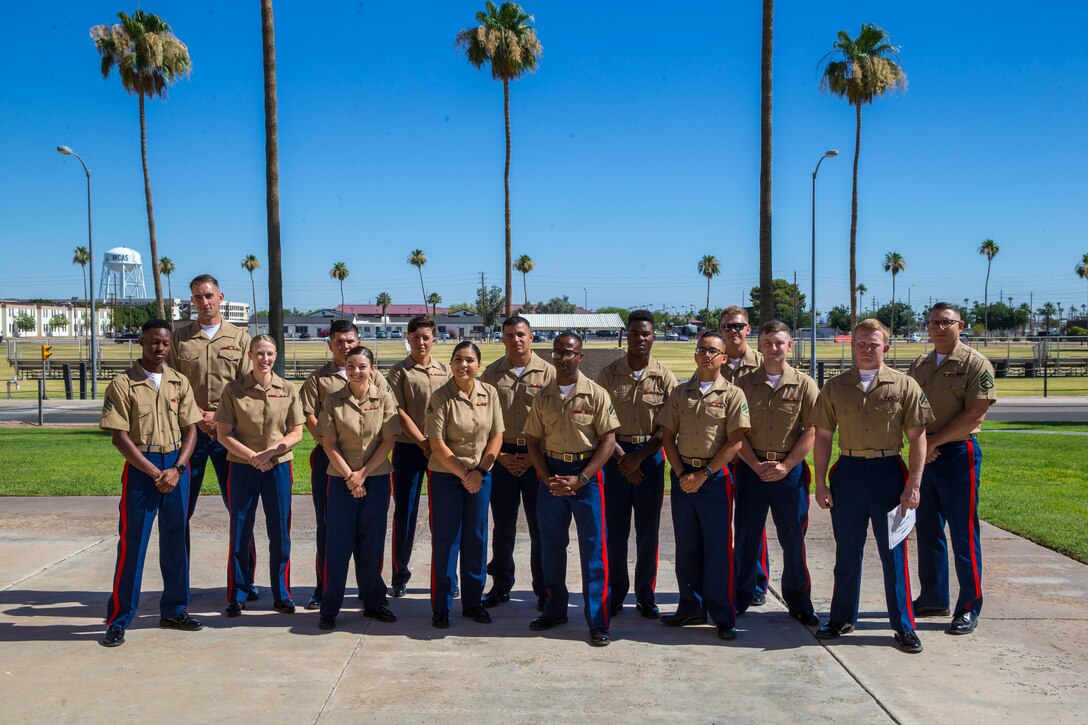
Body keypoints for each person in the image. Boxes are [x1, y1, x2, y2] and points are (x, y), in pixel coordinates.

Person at [812, 319, 933, 653]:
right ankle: (841, 618)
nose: (867, 349)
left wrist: (914, 484)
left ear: (886, 348)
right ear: (852, 346)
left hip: (888, 472)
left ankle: (904, 626)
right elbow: (823, 436)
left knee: (893, 553)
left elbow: (918, 438)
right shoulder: (835, 387)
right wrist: (820, 483)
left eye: (874, 344)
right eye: (861, 343)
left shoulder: (905, 385)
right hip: (848, 472)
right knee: (847, 551)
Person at [99, 319, 202, 647]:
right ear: (142, 342)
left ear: (170, 346)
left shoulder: (179, 382)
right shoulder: (123, 383)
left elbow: (191, 430)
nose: (159, 348)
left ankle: (175, 609)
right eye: (153, 342)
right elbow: (120, 437)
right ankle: (119, 618)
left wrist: (178, 469)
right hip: (141, 469)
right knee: (133, 545)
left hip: (174, 467)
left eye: (165, 343)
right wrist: (154, 472)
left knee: (176, 541)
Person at [524, 332, 619, 647]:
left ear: (580, 356)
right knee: (551, 547)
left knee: (594, 551)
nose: (562, 358)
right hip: (551, 476)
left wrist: (582, 478)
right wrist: (546, 477)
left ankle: (598, 621)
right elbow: (534, 442)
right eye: (557, 353)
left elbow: (608, 442)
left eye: (569, 353)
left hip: (586, 477)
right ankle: (554, 610)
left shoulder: (596, 394)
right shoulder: (543, 396)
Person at [908, 302, 996, 635]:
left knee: (963, 533)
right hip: (925, 457)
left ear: (961, 325)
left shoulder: (974, 363)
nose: (939, 328)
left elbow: (975, 415)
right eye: (934, 323)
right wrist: (920, 446)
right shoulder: (920, 365)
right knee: (928, 531)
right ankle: (933, 598)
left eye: (946, 323)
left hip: (958, 456)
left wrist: (933, 443)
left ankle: (969, 606)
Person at [656, 331, 749, 641]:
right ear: (695, 356)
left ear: (724, 358)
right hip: (684, 477)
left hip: (715, 479)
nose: (706, 355)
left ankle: (722, 615)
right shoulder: (681, 393)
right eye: (701, 350)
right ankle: (690, 607)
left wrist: (704, 474)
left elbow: (735, 442)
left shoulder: (733, 395)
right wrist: (683, 473)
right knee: (687, 546)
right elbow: (668, 436)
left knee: (718, 549)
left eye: (713, 351)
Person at [168, 274, 256, 597]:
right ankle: (179, 586)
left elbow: (246, 388)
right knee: (179, 511)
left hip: (229, 436)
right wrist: (198, 416)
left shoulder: (241, 339)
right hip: (190, 435)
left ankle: (244, 583)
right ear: (192, 301)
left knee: (239, 510)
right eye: (197, 297)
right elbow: (173, 385)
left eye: (209, 296)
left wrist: (216, 417)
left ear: (221, 297)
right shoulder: (180, 340)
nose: (204, 302)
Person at [734, 321, 819, 626]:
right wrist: (755, 465)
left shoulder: (805, 384)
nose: (774, 348)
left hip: (790, 473)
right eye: (768, 342)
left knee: (793, 540)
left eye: (779, 343)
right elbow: (735, 431)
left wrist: (787, 466)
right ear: (759, 344)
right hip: (750, 470)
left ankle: (798, 601)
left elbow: (811, 430)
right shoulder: (743, 385)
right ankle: (740, 597)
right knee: (745, 538)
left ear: (790, 345)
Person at [300, 319, 389, 610]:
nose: (345, 346)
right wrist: (328, 440)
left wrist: (361, 472)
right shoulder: (319, 378)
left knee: (370, 533)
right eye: (339, 342)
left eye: (350, 341)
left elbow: (388, 423)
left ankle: (370, 592)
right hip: (332, 459)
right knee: (330, 529)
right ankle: (324, 590)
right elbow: (310, 415)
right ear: (330, 344)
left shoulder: (375, 377)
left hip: (371, 465)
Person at [595, 310, 678, 619]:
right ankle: (616, 593)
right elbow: (599, 422)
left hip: (650, 457)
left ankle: (645, 594)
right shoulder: (607, 375)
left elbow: (668, 428)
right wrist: (621, 457)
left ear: (653, 336)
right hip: (613, 455)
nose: (640, 339)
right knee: (614, 531)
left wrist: (639, 458)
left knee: (648, 530)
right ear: (625, 336)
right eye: (634, 333)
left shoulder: (665, 377)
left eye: (645, 334)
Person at [215, 334, 305, 617]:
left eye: (269, 353)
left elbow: (296, 432)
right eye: (259, 353)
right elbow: (223, 434)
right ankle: (239, 592)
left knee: (280, 530)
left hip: (278, 466)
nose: (264, 359)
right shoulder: (234, 390)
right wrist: (252, 457)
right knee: (240, 529)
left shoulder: (288, 389)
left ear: (275, 355)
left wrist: (271, 453)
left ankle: (282, 593)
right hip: (243, 466)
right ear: (250, 355)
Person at [315, 345, 399, 630]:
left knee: (372, 544)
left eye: (362, 366)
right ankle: (329, 609)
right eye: (351, 366)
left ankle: (374, 602)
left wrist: (363, 473)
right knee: (338, 545)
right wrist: (351, 475)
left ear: (372, 369)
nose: (356, 371)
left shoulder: (385, 399)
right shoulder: (332, 400)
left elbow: (388, 441)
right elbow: (329, 443)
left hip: (374, 479)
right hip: (341, 480)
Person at [424, 341, 504, 628]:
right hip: (447, 475)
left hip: (481, 474)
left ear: (478, 365)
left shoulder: (490, 393)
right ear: (451, 364)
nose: (463, 365)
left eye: (469, 360)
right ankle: (441, 607)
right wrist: (465, 474)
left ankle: (473, 603)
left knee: (476, 538)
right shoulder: (440, 397)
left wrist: (480, 471)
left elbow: (496, 435)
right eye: (458, 359)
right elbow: (437, 444)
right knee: (447, 539)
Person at [480, 316, 555, 611]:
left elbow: (556, 421)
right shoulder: (491, 374)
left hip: (538, 457)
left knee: (540, 528)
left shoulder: (549, 373)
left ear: (532, 337)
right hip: (502, 458)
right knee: (503, 526)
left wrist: (534, 457)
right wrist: (499, 456)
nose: (516, 340)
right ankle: (500, 585)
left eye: (521, 334)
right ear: (503, 339)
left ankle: (542, 588)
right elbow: (482, 420)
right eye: (510, 335)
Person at [387, 315, 452, 598]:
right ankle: (400, 574)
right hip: (409, 449)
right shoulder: (399, 371)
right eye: (416, 338)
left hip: (441, 450)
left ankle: (447, 577)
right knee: (406, 513)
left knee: (444, 515)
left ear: (434, 340)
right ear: (408, 339)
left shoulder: (445, 370)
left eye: (426, 337)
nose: (421, 343)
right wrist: (423, 442)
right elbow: (398, 412)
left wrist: (435, 445)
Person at [718, 305, 770, 606]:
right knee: (721, 522)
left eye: (738, 326)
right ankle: (727, 578)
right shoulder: (714, 361)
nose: (733, 331)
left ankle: (756, 582)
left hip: (752, 455)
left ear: (748, 329)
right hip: (721, 455)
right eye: (727, 327)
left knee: (753, 524)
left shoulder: (763, 363)